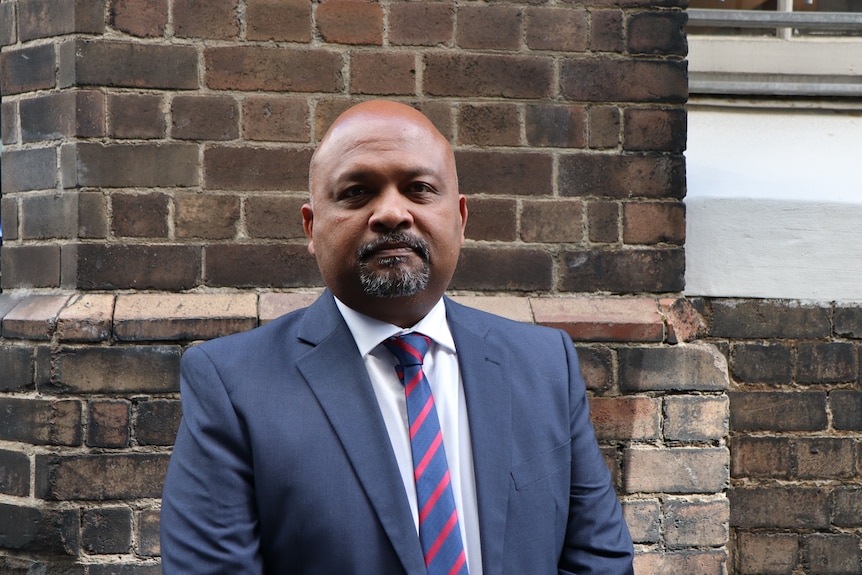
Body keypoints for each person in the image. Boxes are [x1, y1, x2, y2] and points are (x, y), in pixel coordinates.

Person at [160, 100, 634, 574]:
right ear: (311, 226)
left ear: (461, 218)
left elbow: (599, 560)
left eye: (419, 189)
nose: (390, 213)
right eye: (357, 192)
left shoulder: (545, 364)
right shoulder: (233, 385)